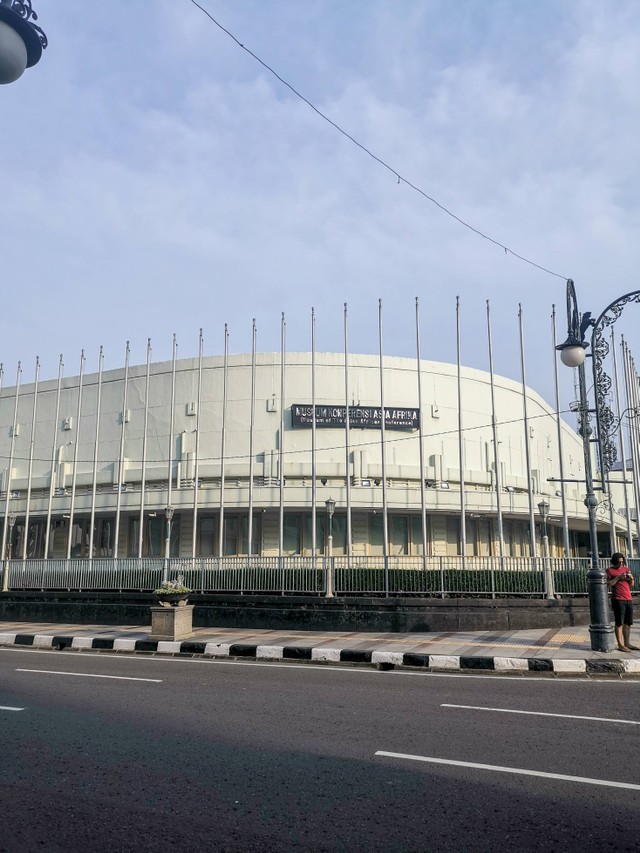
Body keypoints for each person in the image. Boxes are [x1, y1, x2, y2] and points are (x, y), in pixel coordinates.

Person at [606, 552, 638, 653]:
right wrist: (618, 577)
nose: (621, 564)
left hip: (628, 598)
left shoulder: (626, 569)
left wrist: (631, 578)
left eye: (622, 562)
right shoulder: (609, 570)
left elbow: (631, 584)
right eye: (619, 562)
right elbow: (609, 584)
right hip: (618, 599)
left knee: (628, 623)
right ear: (614, 562)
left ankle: (627, 643)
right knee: (619, 622)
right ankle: (620, 644)